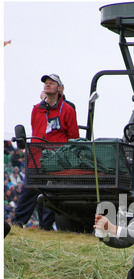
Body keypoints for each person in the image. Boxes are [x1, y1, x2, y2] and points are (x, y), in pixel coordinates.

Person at [13, 73, 79, 230]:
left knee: (52, 193)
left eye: (52, 83)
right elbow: (35, 130)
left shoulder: (68, 109)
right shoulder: (36, 109)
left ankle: (45, 227)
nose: (47, 85)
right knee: (28, 190)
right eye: (46, 83)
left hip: (56, 158)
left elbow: (73, 137)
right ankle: (17, 223)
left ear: (59, 88)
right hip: (36, 156)